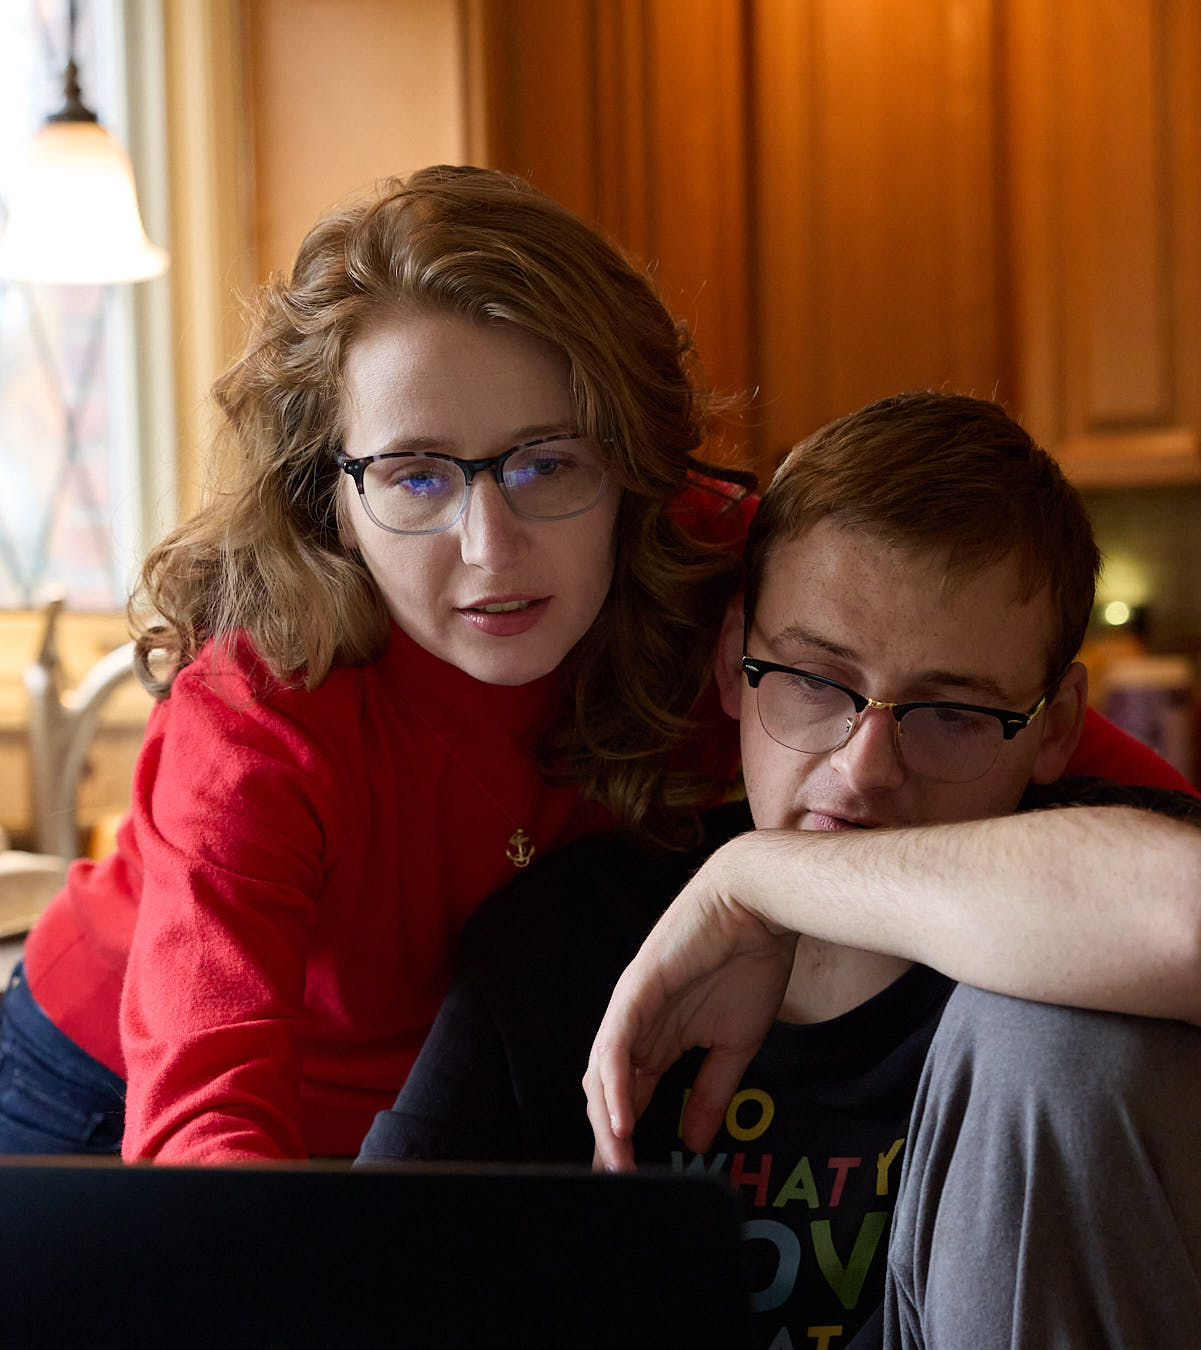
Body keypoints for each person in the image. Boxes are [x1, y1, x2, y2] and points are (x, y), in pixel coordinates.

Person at [362, 392, 1201, 1350]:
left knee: (1056, 1037)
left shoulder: (1092, 884)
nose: (864, 771)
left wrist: (764, 876)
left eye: (953, 713)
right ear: (730, 663)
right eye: (811, 682)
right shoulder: (572, 937)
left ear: (1056, 725)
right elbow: (360, 1321)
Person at [0, 164, 756, 1163]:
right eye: (415, 475)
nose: (489, 547)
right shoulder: (263, 709)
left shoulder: (734, 593)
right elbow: (203, 1114)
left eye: (548, 464)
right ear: (333, 500)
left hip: (444, 1110)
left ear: (633, 469)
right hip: (107, 1093)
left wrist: (775, 886)